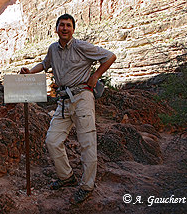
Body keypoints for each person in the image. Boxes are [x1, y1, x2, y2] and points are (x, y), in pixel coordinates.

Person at [20, 13, 116, 204]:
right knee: (52, 140)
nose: (64, 28)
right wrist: (30, 71)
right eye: (61, 25)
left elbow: (110, 56)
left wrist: (95, 76)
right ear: (56, 29)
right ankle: (67, 177)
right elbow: (45, 64)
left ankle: (87, 186)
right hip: (63, 101)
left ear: (73, 29)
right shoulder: (53, 49)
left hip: (82, 98)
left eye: (68, 25)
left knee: (87, 143)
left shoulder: (81, 46)